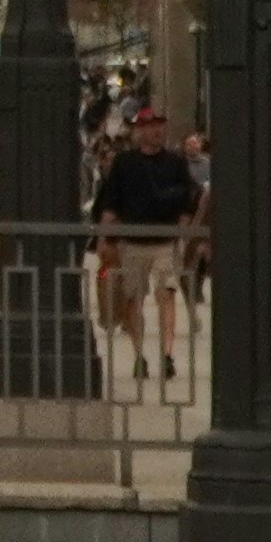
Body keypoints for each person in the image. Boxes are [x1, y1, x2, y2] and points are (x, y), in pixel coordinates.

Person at [89, 103, 200, 395]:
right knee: (132, 300)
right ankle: (140, 354)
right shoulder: (125, 164)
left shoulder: (175, 162)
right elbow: (112, 202)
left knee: (167, 296)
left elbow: (189, 200)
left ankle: (166, 354)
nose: (156, 131)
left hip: (164, 241)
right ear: (139, 131)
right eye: (150, 126)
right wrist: (104, 239)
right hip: (132, 242)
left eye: (160, 126)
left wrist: (184, 231)